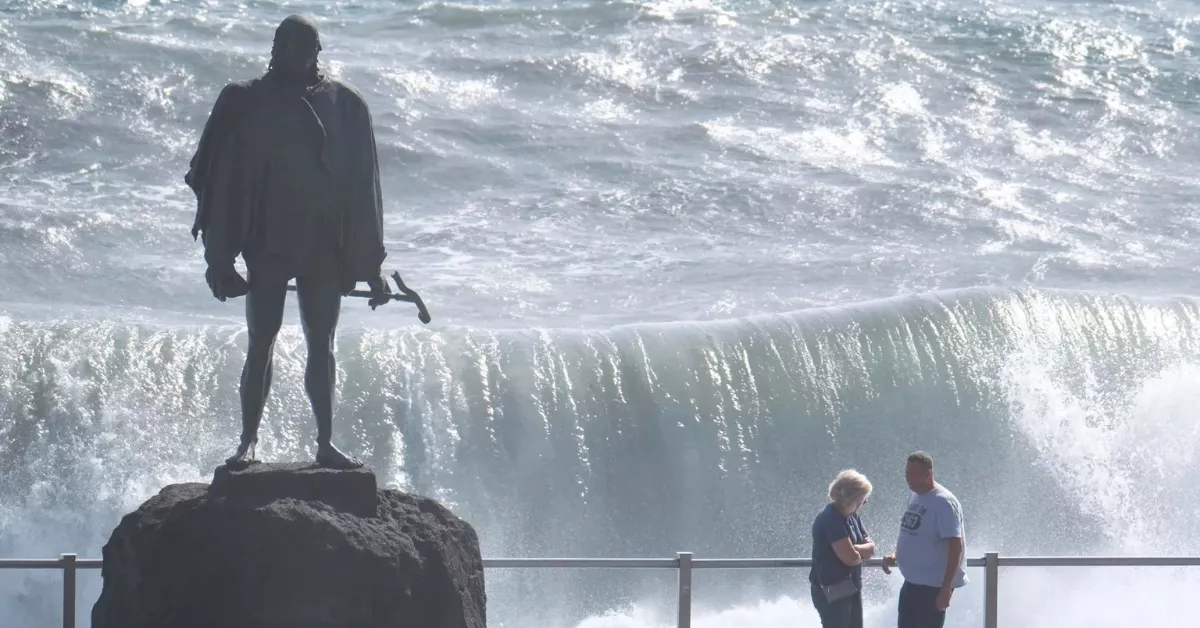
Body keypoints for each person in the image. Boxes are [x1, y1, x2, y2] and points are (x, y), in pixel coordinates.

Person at [184, 14, 391, 470]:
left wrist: (368, 265)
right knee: (261, 340)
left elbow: (364, 191)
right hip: (268, 244)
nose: (296, 55)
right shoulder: (245, 101)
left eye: (306, 46)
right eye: (287, 45)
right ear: (273, 48)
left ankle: (325, 443)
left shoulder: (346, 104)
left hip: (323, 248)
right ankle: (248, 442)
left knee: (323, 342)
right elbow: (218, 179)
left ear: (319, 51)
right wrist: (219, 258)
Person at [882, 451, 967, 628]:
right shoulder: (915, 495)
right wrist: (895, 554)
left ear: (929, 474)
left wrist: (946, 589)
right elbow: (914, 533)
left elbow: (956, 546)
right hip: (911, 584)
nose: (908, 478)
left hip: (932, 589)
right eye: (907, 473)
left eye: (914, 474)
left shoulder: (943, 502)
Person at [810, 469, 876, 628]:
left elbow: (870, 548)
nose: (864, 503)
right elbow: (851, 558)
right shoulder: (831, 519)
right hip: (832, 590)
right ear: (852, 499)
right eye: (863, 499)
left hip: (851, 587)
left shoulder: (852, 515)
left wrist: (853, 548)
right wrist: (856, 552)